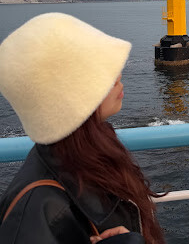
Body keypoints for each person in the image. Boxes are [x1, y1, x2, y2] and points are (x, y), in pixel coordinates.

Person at [0, 13, 166, 243]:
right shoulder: (35, 212)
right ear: (69, 96)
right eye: (101, 73)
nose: (118, 76)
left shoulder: (91, 150)